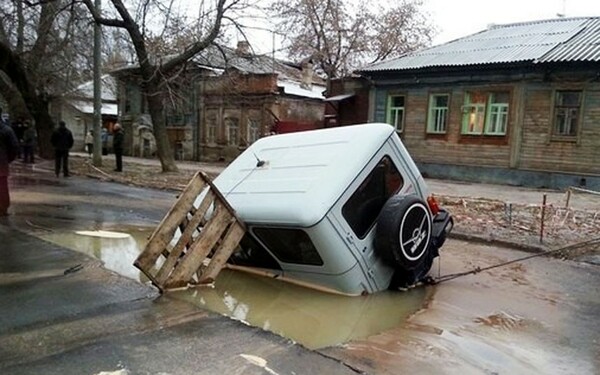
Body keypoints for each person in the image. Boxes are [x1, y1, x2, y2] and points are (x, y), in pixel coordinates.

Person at [0, 108, 19, 216]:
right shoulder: (7, 130)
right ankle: (2, 208)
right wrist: (8, 159)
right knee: (2, 186)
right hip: (1, 164)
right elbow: (14, 147)